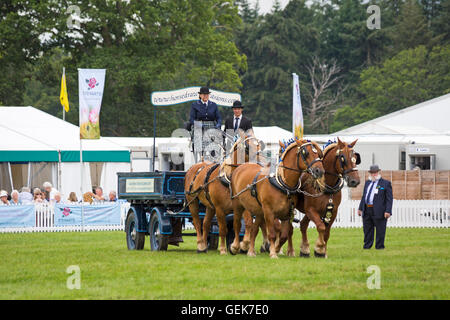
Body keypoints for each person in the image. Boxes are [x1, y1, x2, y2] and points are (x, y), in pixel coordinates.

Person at [358, 165, 393, 250]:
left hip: (379, 210)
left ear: (378, 172)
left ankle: (379, 247)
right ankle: (367, 246)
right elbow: (364, 196)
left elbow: (389, 199)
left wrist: (388, 211)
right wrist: (360, 208)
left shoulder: (385, 183)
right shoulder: (367, 183)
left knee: (380, 230)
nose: (374, 174)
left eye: (375, 173)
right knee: (367, 229)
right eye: (372, 173)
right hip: (367, 209)